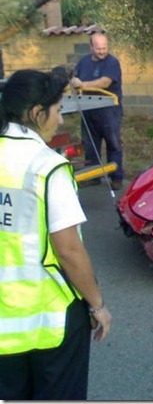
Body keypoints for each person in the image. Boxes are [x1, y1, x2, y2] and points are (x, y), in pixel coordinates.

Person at [0, 69, 112, 399]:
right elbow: (68, 250)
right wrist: (97, 306)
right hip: (50, 322)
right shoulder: (47, 167)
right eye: (59, 110)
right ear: (37, 112)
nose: (61, 121)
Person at [71, 32, 124, 190]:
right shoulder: (83, 62)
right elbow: (75, 78)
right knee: (90, 145)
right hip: (88, 110)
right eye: (98, 48)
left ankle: (116, 177)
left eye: (105, 48)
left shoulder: (112, 62)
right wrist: (74, 81)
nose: (102, 51)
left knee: (113, 144)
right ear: (91, 47)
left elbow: (105, 82)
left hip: (108, 111)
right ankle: (93, 176)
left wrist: (83, 85)